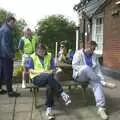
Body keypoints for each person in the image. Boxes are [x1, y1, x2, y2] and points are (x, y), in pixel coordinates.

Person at [26, 42, 71, 120]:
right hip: (36, 78)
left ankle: (49, 110)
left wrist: (52, 71)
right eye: (39, 51)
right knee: (49, 77)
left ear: (45, 50)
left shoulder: (49, 56)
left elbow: (53, 68)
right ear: (36, 51)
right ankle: (62, 93)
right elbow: (30, 70)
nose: (41, 53)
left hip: (48, 77)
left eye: (43, 51)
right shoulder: (32, 57)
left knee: (50, 86)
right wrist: (41, 72)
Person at [72, 41, 109, 120]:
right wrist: (87, 69)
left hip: (91, 77)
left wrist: (101, 78)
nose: (92, 50)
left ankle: (101, 108)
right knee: (86, 68)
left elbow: (98, 70)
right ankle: (103, 83)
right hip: (79, 75)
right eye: (91, 48)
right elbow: (74, 65)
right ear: (86, 47)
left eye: (94, 49)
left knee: (97, 84)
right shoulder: (78, 54)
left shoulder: (95, 56)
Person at [0, 16, 20, 97]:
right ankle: (10, 92)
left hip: (1, 55)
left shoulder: (1, 28)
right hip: (6, 56)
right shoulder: (7, 30)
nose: (14, 25)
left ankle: (0, 89)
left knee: (1, 73)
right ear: (8, 22)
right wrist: (11, 56)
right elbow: (5, 45)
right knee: (8, 73)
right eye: (12, 23)